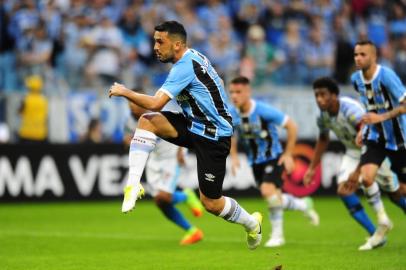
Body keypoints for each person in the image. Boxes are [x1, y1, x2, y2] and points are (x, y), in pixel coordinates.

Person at [109, 21, 262, 250]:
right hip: (193, 125)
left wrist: (124, 92)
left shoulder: (183, 67)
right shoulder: (193, 58)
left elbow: (156, 103)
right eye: (154, 41)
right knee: (146, 122)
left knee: (210, 203)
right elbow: (218, 81)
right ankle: (133, 184)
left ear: (178, 44)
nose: (155, 47)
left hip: (214, 136)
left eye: (160, 42)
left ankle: (251, 224)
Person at [304, 77, 401, 250]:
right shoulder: (323, 116)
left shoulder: (350, 110)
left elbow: (367, 139)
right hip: (352, 152)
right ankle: (376, 233)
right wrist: (312, 168)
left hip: (374, 147)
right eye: (316, 95)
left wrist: (357, 172)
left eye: (323, 95)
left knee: (396, 193)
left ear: (334, 95)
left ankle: (383, 222)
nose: (319, 99)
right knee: (344, 190)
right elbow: (323, 139)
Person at [228, 76, 319, 248]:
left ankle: (277, 235)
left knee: (267, 191)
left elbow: (291, 126)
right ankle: (302, 204)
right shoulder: (233, 113)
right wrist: (233, 156)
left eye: (238, 92)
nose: (234, 96)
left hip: (273, 157)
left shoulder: (262, 110)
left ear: (248, 92)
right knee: (274, 198)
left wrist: (288, 154)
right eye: (232, 92)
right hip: (255, 162)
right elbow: (231, 134)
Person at [123, 89, 204, 245]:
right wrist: (128, 142)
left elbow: (182, 126)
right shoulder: (128, 121)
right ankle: (192, 231)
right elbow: (127, 141)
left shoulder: (159, 111)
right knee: (160, 202)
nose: (131, 107)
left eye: (133, 102)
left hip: (171, 157)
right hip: (154, 159)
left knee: (163, 197)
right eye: (129, 103)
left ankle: (186, 196)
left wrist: (183, 150)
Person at [351, 40, 406, 249]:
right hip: (375, 138)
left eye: (363, 55)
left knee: (401, 190)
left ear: (374, 57)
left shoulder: (387, 76)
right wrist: (364, 130)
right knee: (366, 178)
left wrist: (381, 118)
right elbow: (368, 109)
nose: (358, 58)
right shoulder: (356, 79)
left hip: (400, 139)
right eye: (356, 54)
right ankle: (383, 221)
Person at [18, 75, 48, 143]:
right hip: (40, 133)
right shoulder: (44, 100)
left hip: (26, 132)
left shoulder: (25, 99)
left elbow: (19, 112)